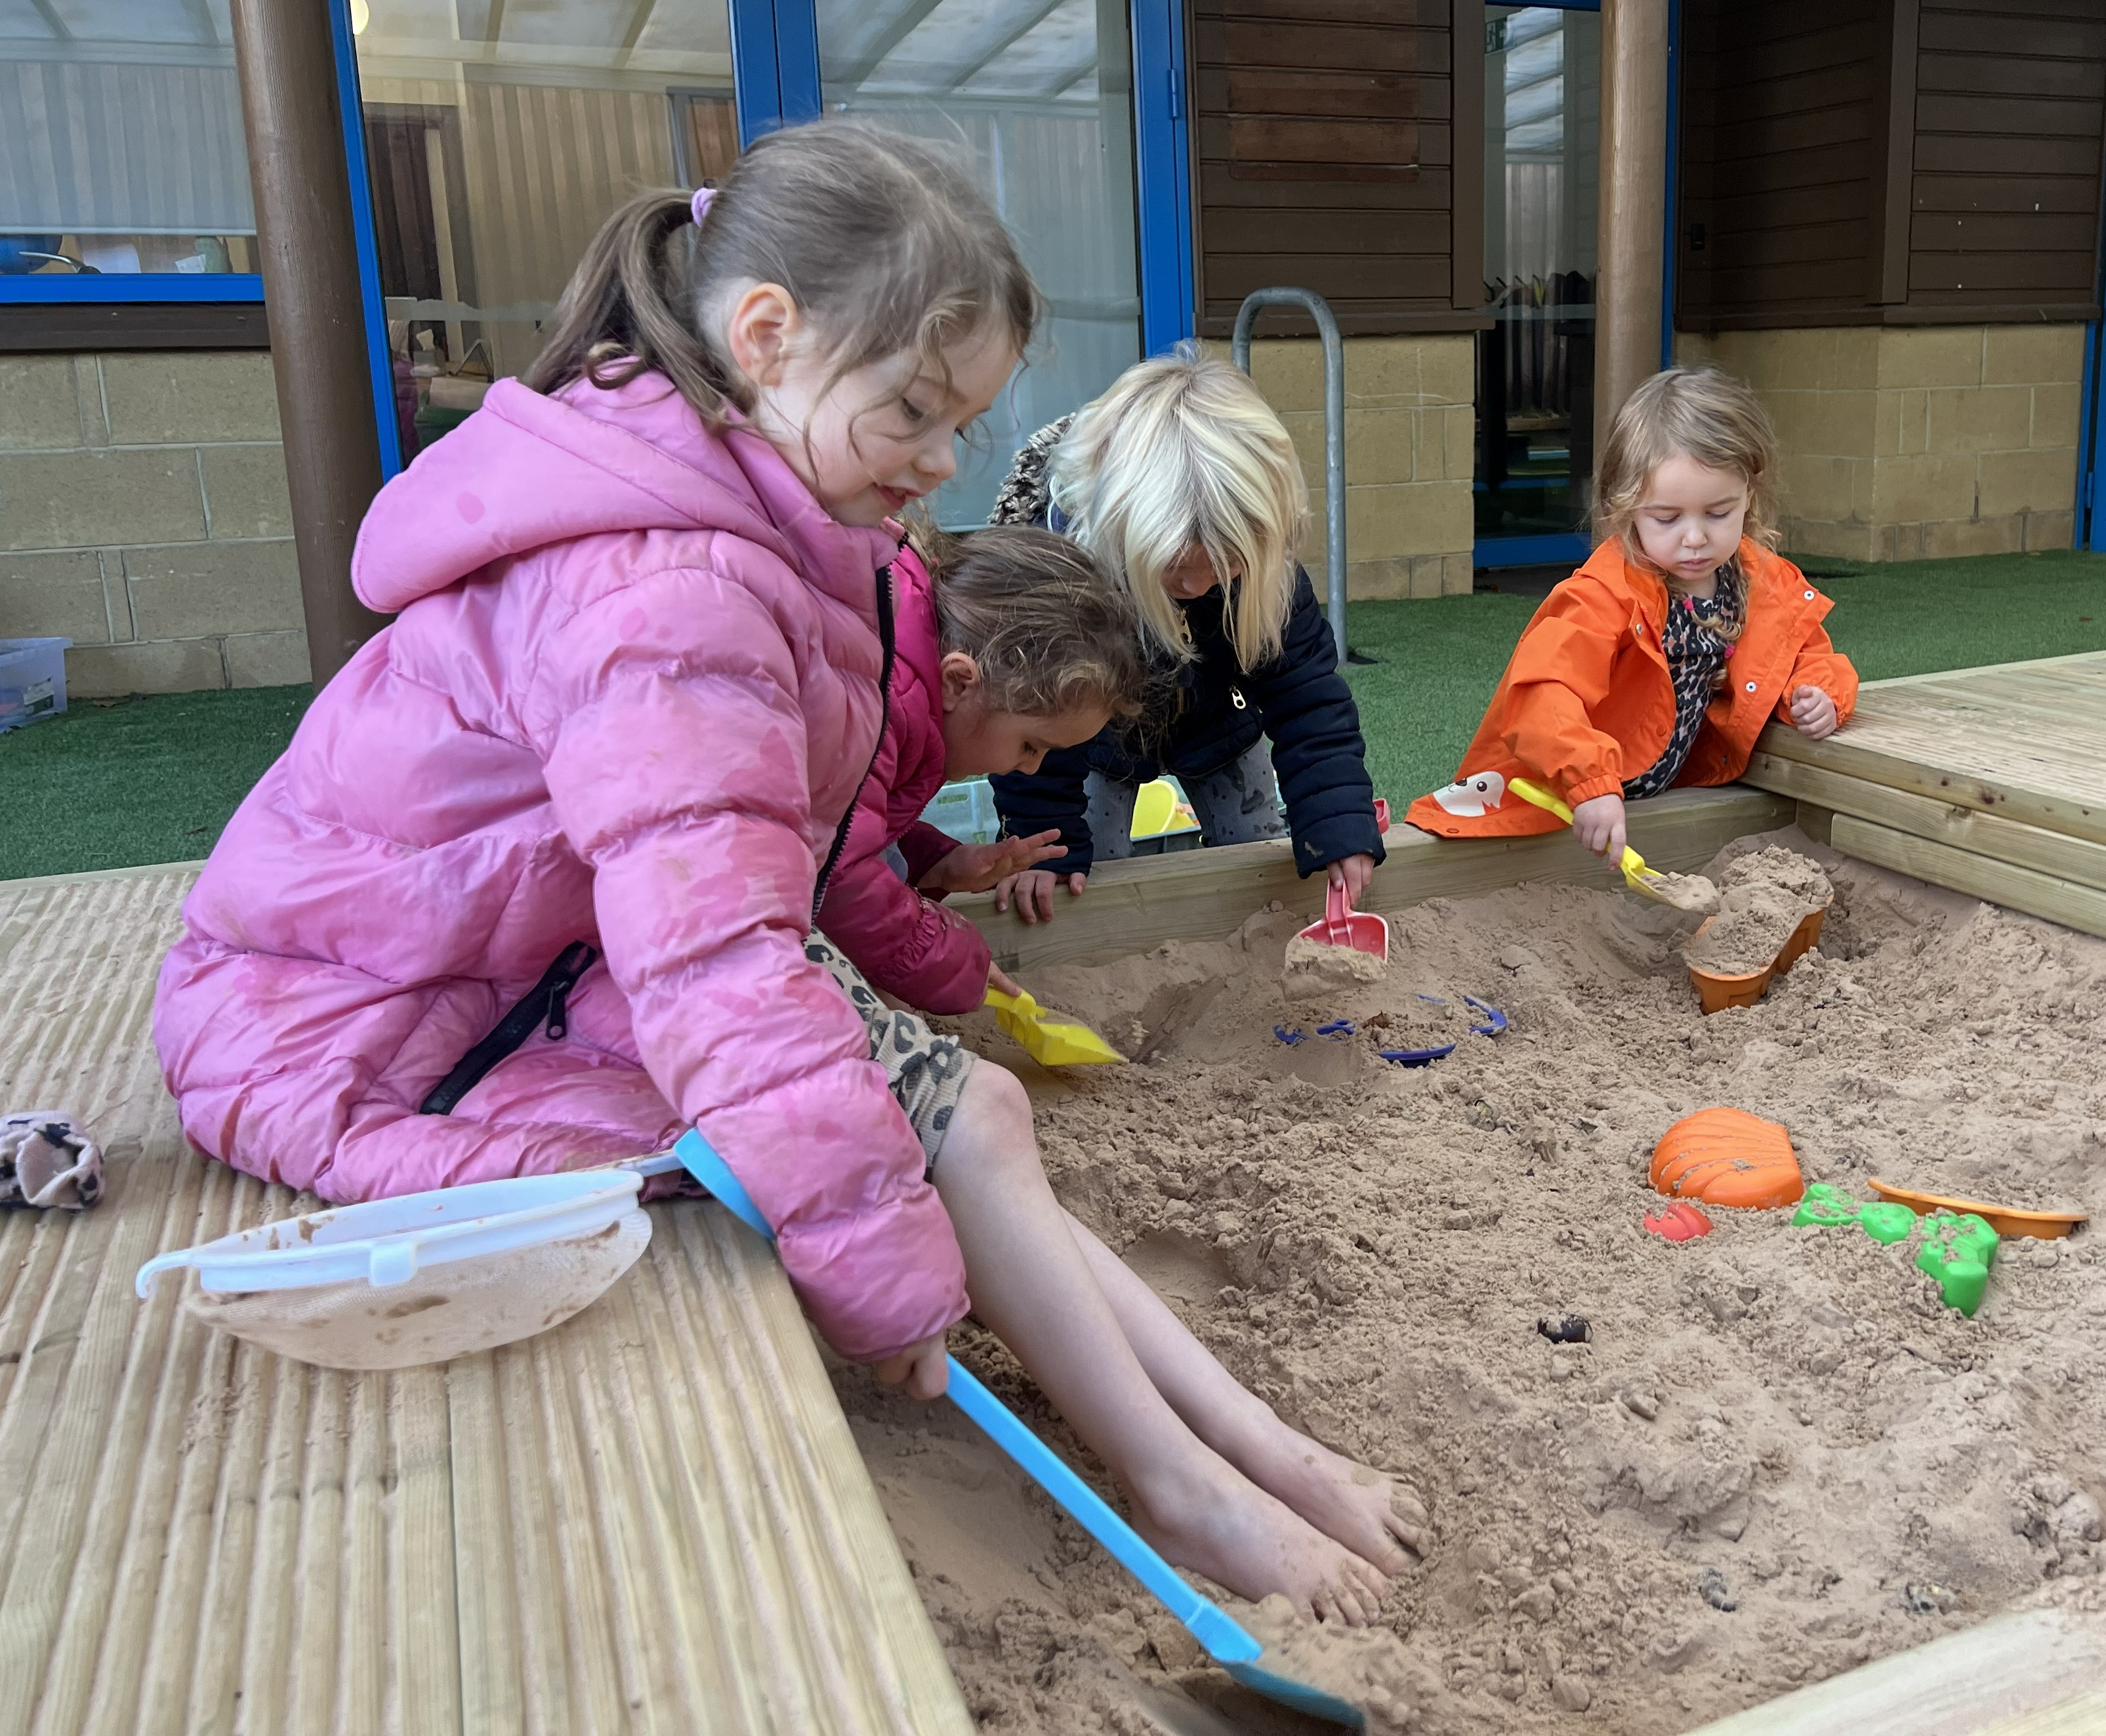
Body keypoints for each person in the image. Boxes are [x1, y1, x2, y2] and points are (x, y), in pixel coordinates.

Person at [152, 121, 1419, 1622]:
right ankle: (1190, 1485)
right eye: (917, 413)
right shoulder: (665, 588)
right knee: (944, 1136)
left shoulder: (777, 518)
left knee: (978, 1114)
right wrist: (881, 1271)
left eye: (964, 424)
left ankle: (1243, 1448)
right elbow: (718, 958)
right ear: (766, 339)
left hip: (544, 959)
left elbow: (768, 850)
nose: (942, 465)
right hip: (379, 1033)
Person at [982, 349, 1383, 922]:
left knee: (1258, 852)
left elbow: (1308, 698)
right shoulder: (1061, 574)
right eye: (1173, 567)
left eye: (1221, 567)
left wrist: (1338, 824)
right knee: (1079, 877)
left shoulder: (1267, 574)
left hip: (1216, 719)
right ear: (1121, 528)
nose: (1195, 586)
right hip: (1089, 734)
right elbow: (1035, 717)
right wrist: (1043, 840)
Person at [1407, 367, 1857, 859]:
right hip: (1563, 800)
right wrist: (1590, 781)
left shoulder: (1760, 581)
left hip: (1671, 791)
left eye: (1718, 513)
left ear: (1750, 494)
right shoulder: (1604, 596)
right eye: (1667, 518)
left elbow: (1806, 652)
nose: (1695, 538)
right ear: (1627, 508)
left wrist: (1820, 694)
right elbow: (1541, 693)